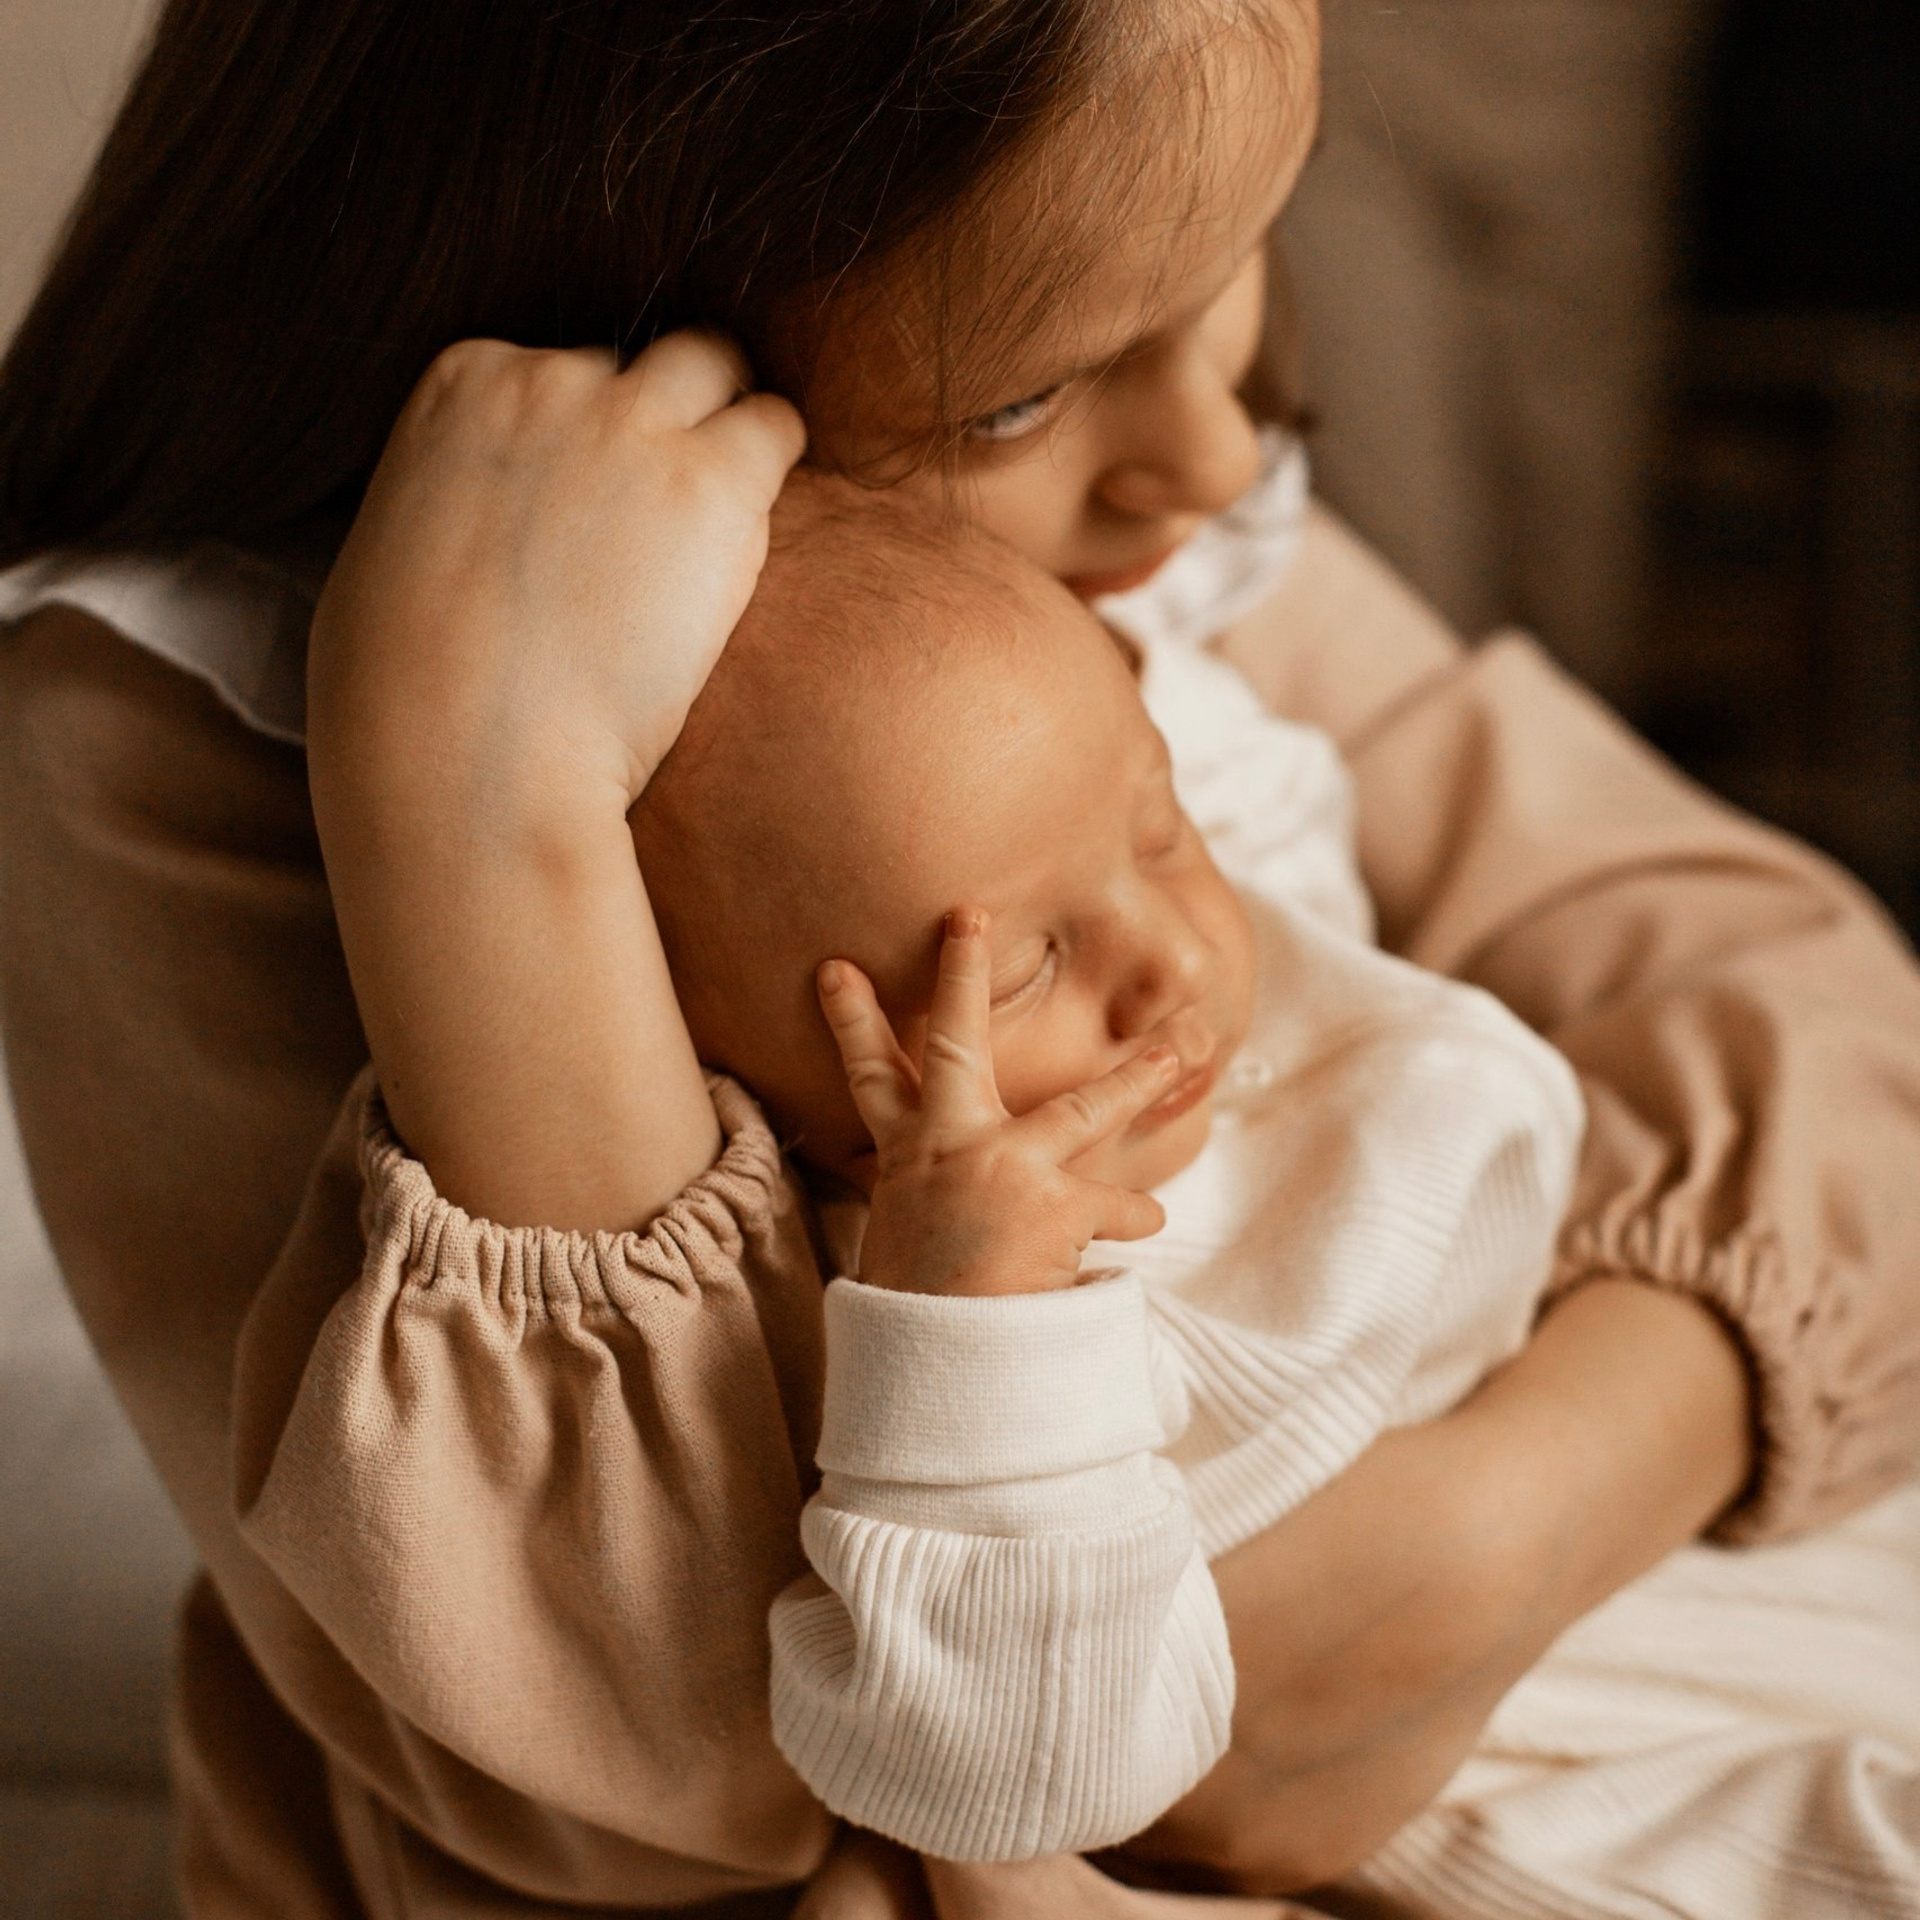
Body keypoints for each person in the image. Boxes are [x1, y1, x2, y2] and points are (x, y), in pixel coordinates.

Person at [0, 0, 1915, 1913]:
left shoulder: (1130, 509)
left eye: (1239, 249)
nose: (1212, 451)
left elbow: (1816, 1013)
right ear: (603, 348)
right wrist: (483, 828)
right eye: (1019, 395)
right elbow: (663, 1781)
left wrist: (1498, 1530)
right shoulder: (159, 731)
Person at [623, 473, 1580, 1862]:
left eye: (1160, 829)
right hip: (1466, 1798)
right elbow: (1015, 1783)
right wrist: (983, 1333)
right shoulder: (948, 1332)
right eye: (1016, 974)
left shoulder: (1172, 839)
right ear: (773, 1110)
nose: (1176, 958)